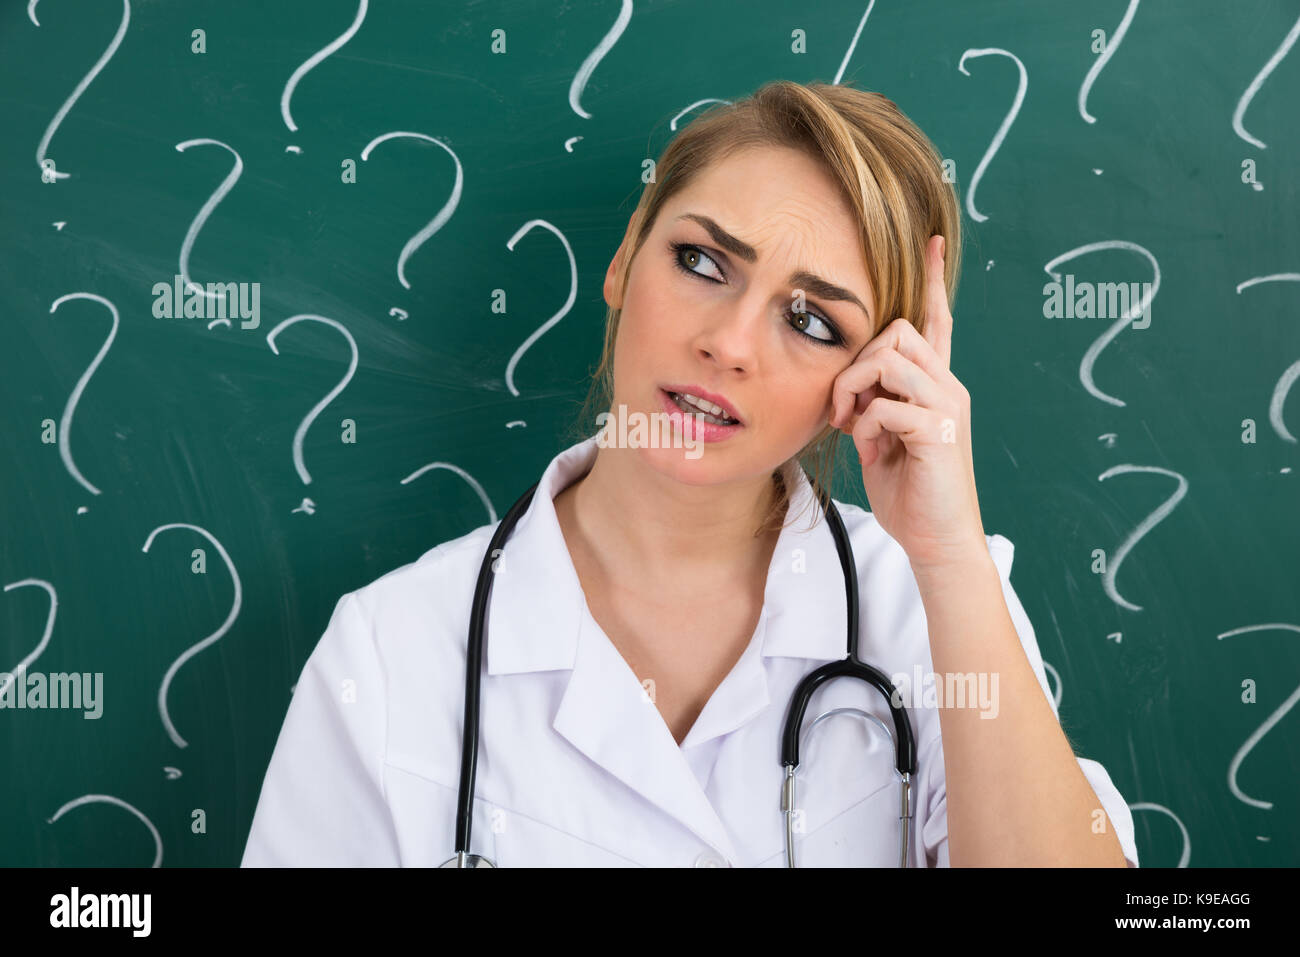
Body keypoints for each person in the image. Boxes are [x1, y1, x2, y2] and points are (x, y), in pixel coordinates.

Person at [241, 80, 1139, 867]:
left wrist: (948, 555)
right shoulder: (391, 657)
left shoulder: (931, 613)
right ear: (627, 256)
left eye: (813, 321)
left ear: (867, 378)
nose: (730, 343)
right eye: (704, 263)